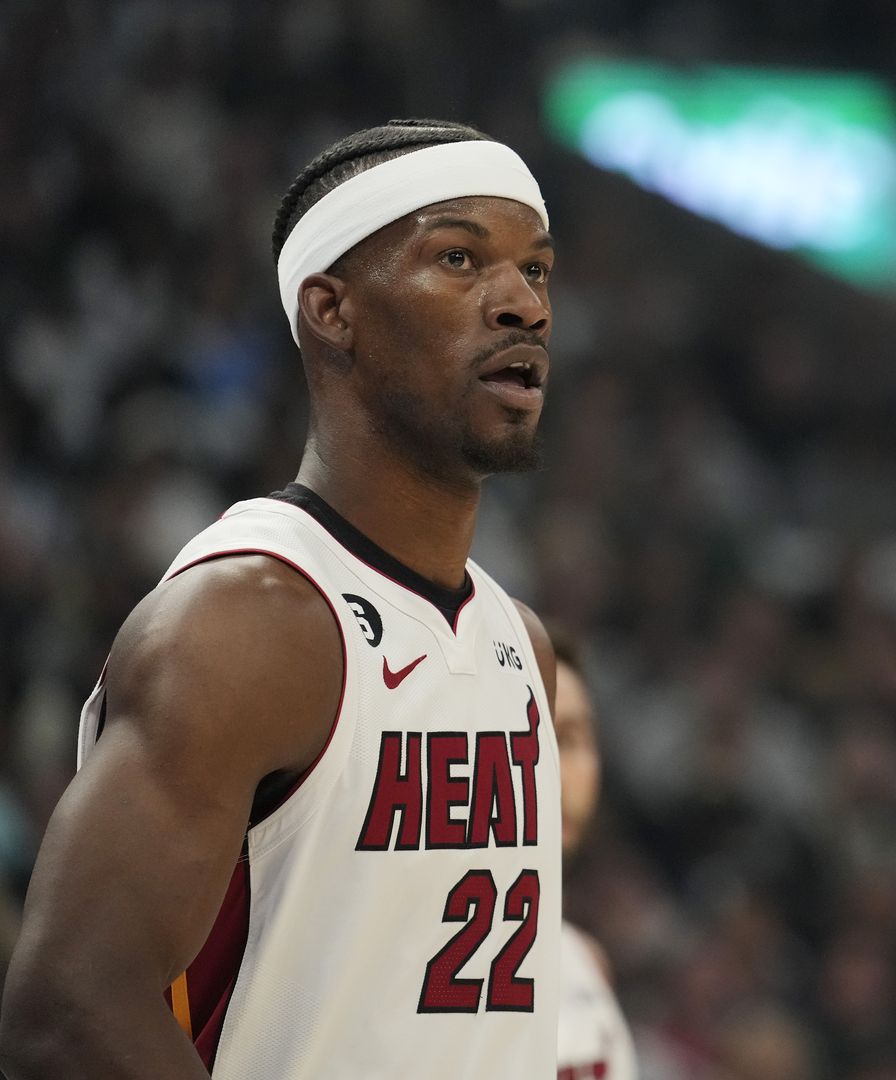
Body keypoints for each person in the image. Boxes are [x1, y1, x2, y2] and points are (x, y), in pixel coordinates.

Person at [0, 119, 565, 1078]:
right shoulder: (245, 623)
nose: (524, 305)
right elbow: (68, 1010)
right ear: (332, 310)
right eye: (460, 259)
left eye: (538, 270)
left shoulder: (523, 646)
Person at [549, 631, 643, 1080]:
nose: (550, 769)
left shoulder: (585, 960)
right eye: (525, 735)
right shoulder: (396, 954)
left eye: (569, 740)